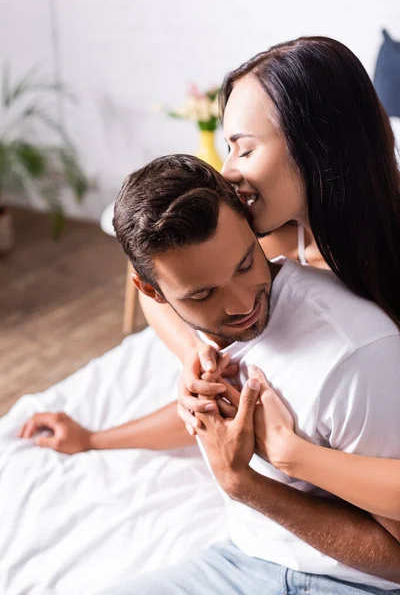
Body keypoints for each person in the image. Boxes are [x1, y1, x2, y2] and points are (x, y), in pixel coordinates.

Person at [20, 35, 400, 526]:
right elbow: (161, 289)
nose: (227, 171)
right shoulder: (279, 248)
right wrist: (189, 357)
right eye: (227, 148)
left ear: (316, 145)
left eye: (243, 149)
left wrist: (290, 455)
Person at [76, 151, 400, 595]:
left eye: (246, 264)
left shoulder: (351, 358)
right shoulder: (212, 342)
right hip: (239, 558)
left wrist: (243, 485)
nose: (241, 304)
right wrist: (92, 440)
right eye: (203, 294)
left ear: (253, 229)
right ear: (152, 291)